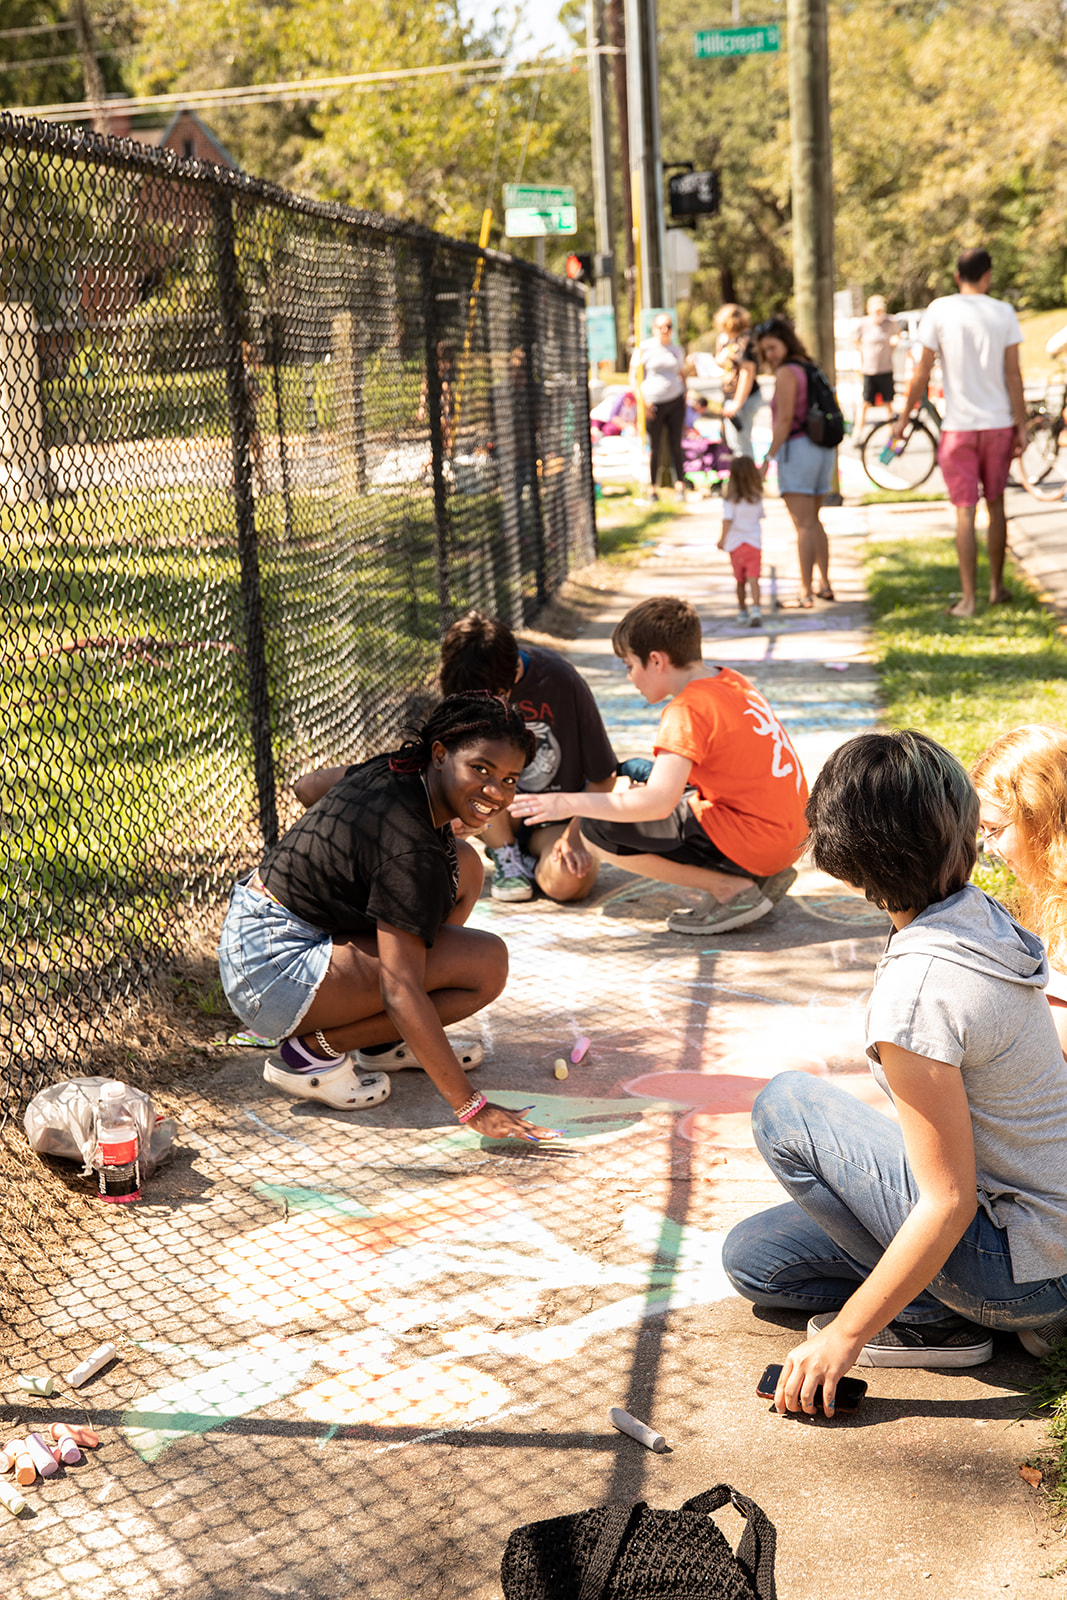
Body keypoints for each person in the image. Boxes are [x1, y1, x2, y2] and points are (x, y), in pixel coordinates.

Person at [722, 730, 1067, 1419]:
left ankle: (940, 1322)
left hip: (1020, 1264)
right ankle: (947, 1300)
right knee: (754, 1259)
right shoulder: (974, 913)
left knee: (785, 1104)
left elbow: (946, 1202)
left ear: (847, 864)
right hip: (1035, 1227)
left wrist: (845, 1338)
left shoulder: (917, 992)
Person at [218, 694, 555, 1143]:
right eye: (480, 770)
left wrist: (348, 846)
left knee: (466, 865)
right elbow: (400, 989)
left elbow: (306, 788)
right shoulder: (408, 845)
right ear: (440, 754)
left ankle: (377, 1045)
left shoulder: (400, 769)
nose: (496, 792)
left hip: (262, 925)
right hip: (271, 973)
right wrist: (472, 1107)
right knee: (485, 965)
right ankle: (315, 1052)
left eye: (509, 778)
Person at [509, 596, 807, 936]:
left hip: (762, 841)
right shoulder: (731, 680)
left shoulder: (686, 710)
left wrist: (564, 803)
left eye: (629, 665)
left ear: (656, 660)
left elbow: (657, 804)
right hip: (791, 835)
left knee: (596, 827)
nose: (630, 677)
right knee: (646, 802)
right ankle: (760, 875)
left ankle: (731, 890)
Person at [438, 611, 618, 904]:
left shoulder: (561, 681)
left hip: (553, 817)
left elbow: (604, 777)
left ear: (506, 687)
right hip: (492, 818)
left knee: (569, 881)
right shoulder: (465, 683)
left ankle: (528, 863)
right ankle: (508, 855)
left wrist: (573, 837)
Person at [890, 247, 1027, 618]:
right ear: (988, 275)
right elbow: (1013, 374)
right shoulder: (1003, 312)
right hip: (998, 424)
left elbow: (921, 372)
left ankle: (968, 600)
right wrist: (1023, 424)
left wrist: (904, 418)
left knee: (964, 514)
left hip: (959, 428)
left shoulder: (940, 310)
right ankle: (997, 588)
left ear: (956, 276)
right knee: (996, 507)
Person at [972, 723, 1067, 1058]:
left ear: (1040, 818)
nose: (988, 848)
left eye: (995, 829)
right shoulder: (1052, 898)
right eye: (982, 831)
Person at [755, 316, 835, 609]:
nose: (769, 355)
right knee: (813, 522)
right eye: (765, 351)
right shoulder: (809, 366)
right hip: (821, 451)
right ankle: (824, 583)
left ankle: (805, 590)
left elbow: (785, 419)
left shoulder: (788, 372)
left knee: (803, 525)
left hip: (799, 450)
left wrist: (767, 458)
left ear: (786, 343)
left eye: (773, 347)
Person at [629, 313, 690, 499]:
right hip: (652, 404)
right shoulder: (644, 348)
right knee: (654, 447)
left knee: (676, 445)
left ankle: (680, 485)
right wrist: (642, 401)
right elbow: (633, 377)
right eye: (661, 326)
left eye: (669, 326)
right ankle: (652, 488)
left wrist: (685, 393)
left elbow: (682, 374)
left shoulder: (677, 349)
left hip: (676, 401)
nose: (665, 330)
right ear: (654, 328)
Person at [718, 455, 764, 627]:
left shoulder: (730, 499)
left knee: (740, 580)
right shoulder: (757, 497)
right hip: (754, 542)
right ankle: (757, 609)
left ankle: (743, 610)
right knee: (754, 578)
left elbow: (727, 519)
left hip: (736, 544)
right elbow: (760, 515)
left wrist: (722, 539)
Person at [851, 295, 901, 442]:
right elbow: (854, 339)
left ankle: (892, 434)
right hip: (869, 370)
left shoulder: (889, 322)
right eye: (876, 311)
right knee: (865, 402)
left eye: (881, 310)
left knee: (888, 403)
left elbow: (898, 335)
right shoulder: (864, 323)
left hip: (885, 369)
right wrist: (862, 351)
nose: (879, 313)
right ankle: (857, 434)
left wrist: (894, 344)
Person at [714, 303, 761, 459]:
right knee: (733, 443)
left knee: (740, 445)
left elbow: (747, 372)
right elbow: (722, 364)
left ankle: (746, 481)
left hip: (741, 399)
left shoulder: (745, 340)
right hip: (730, 396)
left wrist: (737, 403)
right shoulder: (730, 340)